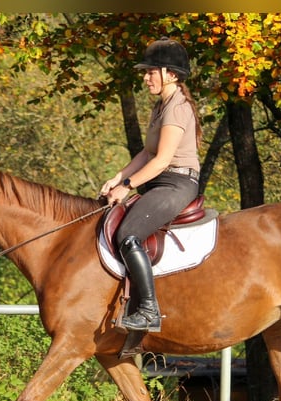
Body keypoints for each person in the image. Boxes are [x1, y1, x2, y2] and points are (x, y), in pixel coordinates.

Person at [99, 37, 202, 333]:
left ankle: (148, 311)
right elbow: (147, 153)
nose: (145, 78)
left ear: (171, 74)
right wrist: (116, 178)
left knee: (129, 234)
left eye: (151, 72)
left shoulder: (177, 108)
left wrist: (127, 187)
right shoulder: (161, 106)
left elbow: (161, 161)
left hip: (177, 183)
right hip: (161, 181)